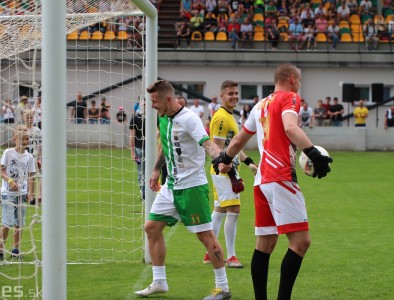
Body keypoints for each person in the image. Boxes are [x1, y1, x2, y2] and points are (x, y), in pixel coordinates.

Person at [212, 63, 332, 300]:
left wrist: (224, 157)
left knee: (264, 245)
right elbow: (290, 127)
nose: (299, 85)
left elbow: (238, 140)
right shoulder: (290, 97)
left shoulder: (260, 104)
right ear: (291, 78)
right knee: (301, 242)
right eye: (299, 80)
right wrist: (313, 153)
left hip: (262, 182)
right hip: (281, 177)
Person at [135, 80, 231, 300]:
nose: (152, 105)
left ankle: (223, 288)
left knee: (206, 238)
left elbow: (207, 144)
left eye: (154, 101)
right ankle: (159, 281)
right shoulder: (163, 117)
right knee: (151, 227)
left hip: (192, 188)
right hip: (171, 186)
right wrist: (156, 171)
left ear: (168, 99)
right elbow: (165, 145)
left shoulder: (189, 119)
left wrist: (222, 159)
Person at [202, 80, 258, 269]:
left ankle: (210, 251)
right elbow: (217, 148)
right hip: (224, 171)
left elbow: (232, 145)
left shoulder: (229, 115)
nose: (234, 96)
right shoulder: (221, 117)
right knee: (233, 211)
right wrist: (232, 172)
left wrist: (248, 161)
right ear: (221, 96)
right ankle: (231, 256)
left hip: (226, 170)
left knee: (219, 211)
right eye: (230, 94)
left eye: (236, 93)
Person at [0, 126, 36, 261]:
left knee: (19, 224)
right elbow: (1, 171)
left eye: (27, 139)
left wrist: (31, 193)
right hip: (7, 194)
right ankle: (0, 251)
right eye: (22, 138)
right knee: (7, 223)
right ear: (15, 139)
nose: (25, 141)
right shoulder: (8, 153)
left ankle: (15, 251)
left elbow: (31, 177)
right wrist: (10, 181)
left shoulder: (29, 157)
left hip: (22, 195)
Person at [23, 109, 42, 205]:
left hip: (35, 156)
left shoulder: (37, 130)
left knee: (38, 176)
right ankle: (30, 196)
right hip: (25, 156)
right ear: (24, 118)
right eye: (27, 117)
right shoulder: (22, 130)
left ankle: (39, 197)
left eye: (31, 117)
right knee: (28, 177)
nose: (29, 119)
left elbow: (40, 144)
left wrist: (39, 157)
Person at [129, 104, 145, 201]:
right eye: (143, 103)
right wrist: (132, 152)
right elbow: (132, 136)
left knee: (150, 172)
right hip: (139, 150)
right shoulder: (135, 118)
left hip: (151, 150)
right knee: (141, 171)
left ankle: (148, 194)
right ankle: (143, 194)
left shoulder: (155, 118)